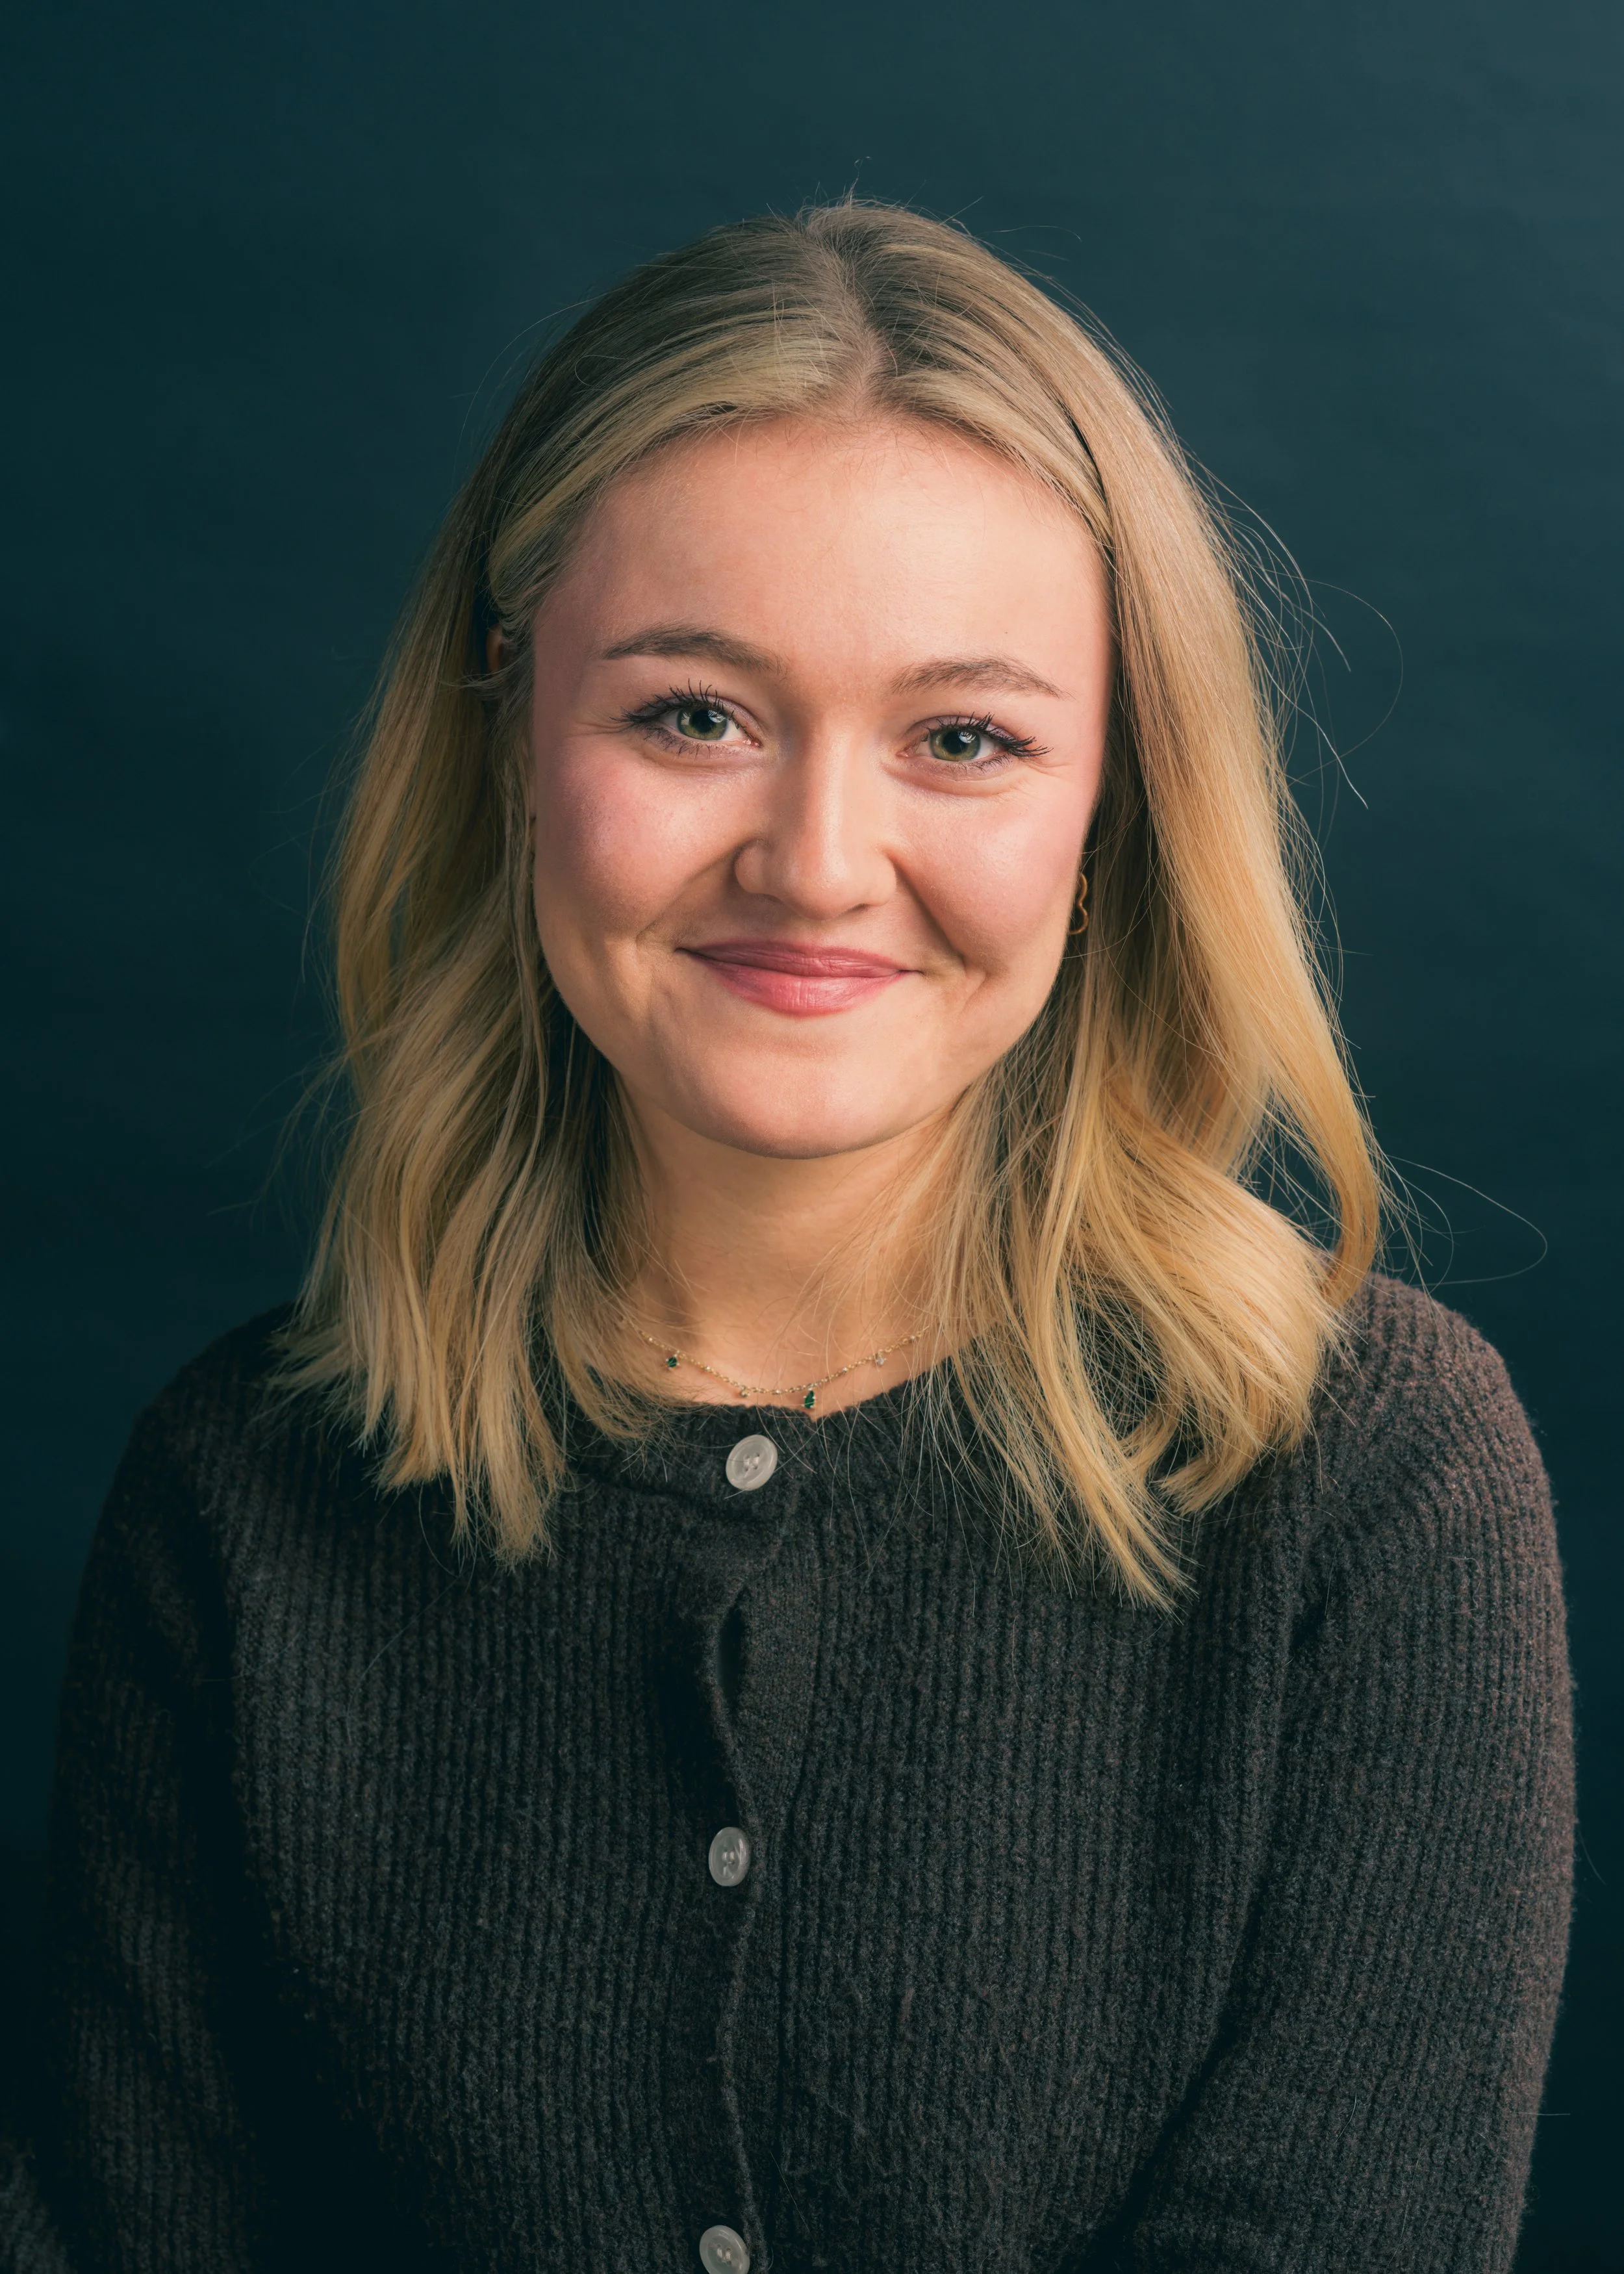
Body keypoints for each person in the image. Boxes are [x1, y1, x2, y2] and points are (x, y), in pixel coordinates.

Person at [1, 202, 1571, 2274]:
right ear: (511, 737)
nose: (818, 862)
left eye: (965, 738)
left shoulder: (1372, 1475)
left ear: (1113, 807)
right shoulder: (240, 1503)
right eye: (692, 715)